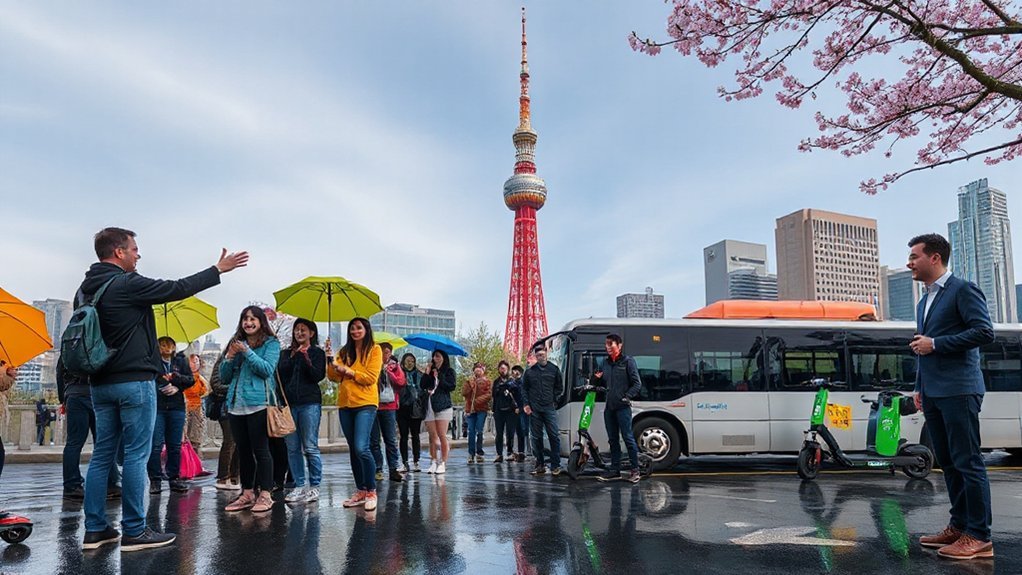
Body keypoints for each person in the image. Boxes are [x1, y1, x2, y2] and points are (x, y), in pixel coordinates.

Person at [79, 227, 247, 551]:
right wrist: (217, 270)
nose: (138, 254)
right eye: (134, 249)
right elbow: (177, 288)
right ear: (119, 252)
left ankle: (95, 529)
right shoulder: (126, 283)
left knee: (102, 456)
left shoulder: (85, 291)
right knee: (136, 455)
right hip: (133, 383)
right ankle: (134, 530)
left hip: (99, 384)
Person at [908, 233, 996, 560]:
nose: (909, 262)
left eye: (914, 256)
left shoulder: (962, 289)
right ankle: (959, 526)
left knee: (967, 462)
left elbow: (984, 331)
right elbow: (921, 347)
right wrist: (919, 386)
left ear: (935, 258)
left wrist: (937, 344)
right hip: (933, 392)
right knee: (947, 462)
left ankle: (979, 536)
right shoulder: (924, 301)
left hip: (959, 389)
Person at [219, 306, 281, 514]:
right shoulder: (235, 342)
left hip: (259, 403)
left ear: (261, 322)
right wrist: (229, 357)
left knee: (261, 450)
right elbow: (224, 377)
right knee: (243, 451)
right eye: (245, 318)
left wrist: (246, 352)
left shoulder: (271, 343)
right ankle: (247, 493)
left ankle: (265, 494)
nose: (248, 322)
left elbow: (266, 370)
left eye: (253, 318)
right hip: (236, 405)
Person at [327, 318, 383, 511]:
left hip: (366, 403)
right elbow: (333, 377)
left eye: (359, 327)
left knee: (361, 447)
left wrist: (348, 371)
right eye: (352, 328)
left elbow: (371, 378)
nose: (355, 331)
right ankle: (360, 490)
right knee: (353, 448)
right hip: (345, 404)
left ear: (366, 330)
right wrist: (330, 360)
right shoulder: (344, 352)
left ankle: (371, 491)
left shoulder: (374, 350)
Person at [57, 358, 121, 500]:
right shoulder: (102, 345)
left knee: (74, 443)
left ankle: (71, 485)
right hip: (98, 395)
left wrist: (63, 398)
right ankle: (111, 483)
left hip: (74, 394)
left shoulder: (69, 345)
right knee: (104, 442)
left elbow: (59, 372)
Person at [277, 318, 326, 504]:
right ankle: (299, 485)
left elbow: (317, 376)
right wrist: (294, 356)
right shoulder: (285, 353)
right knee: (292, 448)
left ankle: (315, 486)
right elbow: (281, 374)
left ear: (311, 333)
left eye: (303, 330)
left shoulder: (317, 353)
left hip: (309, 403)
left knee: (310, 446)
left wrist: (305, 357)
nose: (299, 333)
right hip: (289, 406)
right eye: (296, 329)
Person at [593, 334, 643, 484]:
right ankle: (615, 470)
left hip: (622, 407)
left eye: (611, 344)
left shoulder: (628, 361)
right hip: (609, 407)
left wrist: (627, 396)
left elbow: (637, 384)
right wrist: (595, 378)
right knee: (613, 440)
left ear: (619, 346)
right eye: (606, 345)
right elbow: (599, 383)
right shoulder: (605, 363)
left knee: (628, 438)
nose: (608, 347)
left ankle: (635, 470)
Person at [148, 336, 195, 494]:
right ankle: (155, 479)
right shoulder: (153, 361)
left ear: (174, 347)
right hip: (158, 406)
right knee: (156, 445)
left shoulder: (180, 361)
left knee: (174, 445)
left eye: (170, 344)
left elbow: (190, 380)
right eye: (162, 344)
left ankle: (174, 477)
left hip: (176, 406)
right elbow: (149, 379)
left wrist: (176, 384)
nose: (167, 347)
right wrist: (162, 386)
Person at [522, 346, 563, 476]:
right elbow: (524, 389)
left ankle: (555, 465)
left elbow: (559, 387)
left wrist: (554, 400)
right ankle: (540, 464)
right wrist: (526, 404)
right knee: (536, 437)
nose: (541, 357)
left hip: (549, 407)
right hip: (535, 409)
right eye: (538, 355)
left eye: (542, 354)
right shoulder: (529, 372)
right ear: (536, 356)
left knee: (554, 436)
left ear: (546, 354)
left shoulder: (554, 369)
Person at [371, 343, 406, 482]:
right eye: (383, 352)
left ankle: (393, 468)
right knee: (374, 440)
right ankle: (378, 468)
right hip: (374, 405)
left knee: (390, 439)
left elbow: (401, 382)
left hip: (389, 406)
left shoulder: (395, 366)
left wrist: (389, 372)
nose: (385, 355)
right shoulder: (373, 365)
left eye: (387, 352)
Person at [208, 352, 240, 491]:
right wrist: (235, 387)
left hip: (241, 405)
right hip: (225, 406)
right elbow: (215, 383)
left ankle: (235, 477)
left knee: (239, 442)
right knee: (229, 440)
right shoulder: (223, 360)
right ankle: (223, 476)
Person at [421, 350, 456, 474]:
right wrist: (427, 373)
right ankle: (434, 460)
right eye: (434, 356)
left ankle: (443, 462)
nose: (435, 359)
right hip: (430, 404)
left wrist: (440, 376)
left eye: (438, 356)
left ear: (443, 358)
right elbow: (423, 385)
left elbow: (451, 386)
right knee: (432, 436)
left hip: (443, 405)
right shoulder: (431, 371)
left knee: (442, 435)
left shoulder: (449, 371)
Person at [397, 353, 426, 472]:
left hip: (415, 408)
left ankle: (416, 461)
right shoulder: (399, 373)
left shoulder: (418, 374)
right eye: (408, 361)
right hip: (402, 408)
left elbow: (423, 389)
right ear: (403, 361)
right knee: (403, 436)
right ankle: (404, 462)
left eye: (412, 361)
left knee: (415, 435)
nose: (410, 363)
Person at [463, 362, 491, 464]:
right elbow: (464, 393)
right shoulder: (469, 381)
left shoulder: (487, 381)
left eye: (480, 369)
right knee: (471, 431)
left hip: (481, 409)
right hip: (470, 409)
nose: (478, 371)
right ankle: (471, 453)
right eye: (476, 369)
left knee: (479, 430)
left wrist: (477, 401)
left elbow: (489, 395)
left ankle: (479, 452)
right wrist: (469, 386)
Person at [492, 360, 519, 463]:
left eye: (504, 368)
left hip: (510, 411)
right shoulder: (496, 382)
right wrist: (500, 389)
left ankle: (510, 452)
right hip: (499, 410)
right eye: (501, 368)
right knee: (499, 433)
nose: (502, 370)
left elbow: (517, 393)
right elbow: (493, 395)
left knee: (510, 433)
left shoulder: (512, 381)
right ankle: (499, 454)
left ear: (508, 369)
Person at [183, 354, 210, 459]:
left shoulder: (201, 379)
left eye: (197, 361)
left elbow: (206, 391)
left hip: (197, 409)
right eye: (192, 361)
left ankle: (195, 462)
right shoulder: (183, 377)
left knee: (196, 439)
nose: (195, 364)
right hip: (184, 409)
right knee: (184, 438)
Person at [511, 365, 529, 462]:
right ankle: (519, 452)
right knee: (518, 430)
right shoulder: (512, 383)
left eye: (516, 371)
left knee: (524, 430)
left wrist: (522, 407)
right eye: (513, 372)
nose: (515, 373)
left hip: (524, 409)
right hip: (515, 410)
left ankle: (526, 451)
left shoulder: (523, 382)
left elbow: (524, 395)